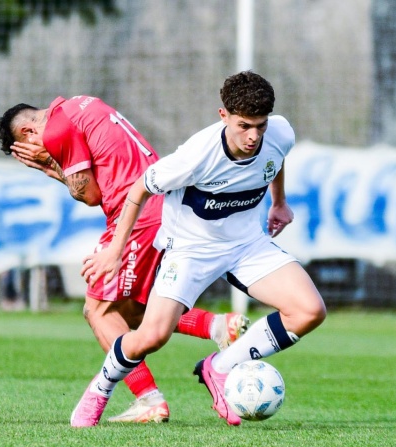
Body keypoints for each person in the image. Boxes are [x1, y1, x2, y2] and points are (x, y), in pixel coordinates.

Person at [79, 71, 327, 426]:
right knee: (151, 337)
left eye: (260, 125)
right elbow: (138, 190)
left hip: (246, 245)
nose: (254, 136)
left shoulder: (279, 133)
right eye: (244, 126)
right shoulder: (195, 156)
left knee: (308, 311)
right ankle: (100, 390)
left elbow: (277, 158)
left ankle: (221, 367)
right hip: (190, 251)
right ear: (223, 115)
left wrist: (279, 202)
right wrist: (115, 251)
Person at [0, 96, 250, 424]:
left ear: (29, 134)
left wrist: (50, 167)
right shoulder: (81, 104)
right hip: (163, 205)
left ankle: (148, 398)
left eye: (25, 148)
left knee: (98, 310)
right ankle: (215, 326)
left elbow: (90, 195)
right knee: (131, 310)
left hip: (137, 217)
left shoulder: (56, 132)